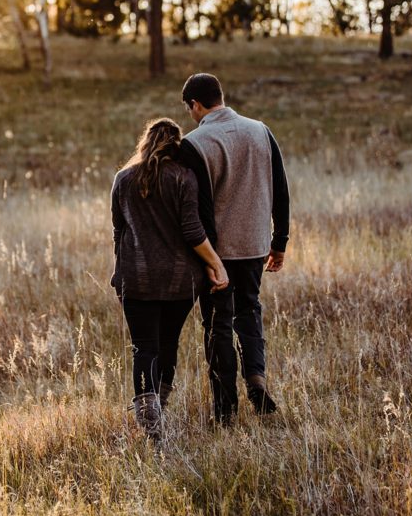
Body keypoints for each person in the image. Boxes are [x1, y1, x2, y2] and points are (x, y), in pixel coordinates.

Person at [177, 72, 290, 426]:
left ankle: (225, 407)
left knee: (218, 324)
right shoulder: (261, 130)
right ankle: (256, 378)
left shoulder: (194, 143)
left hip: (217, 254)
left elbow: (197, 208)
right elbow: (281, 188)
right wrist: (279, 241)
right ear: (220, 96)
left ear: (195, 104)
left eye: (189, 109)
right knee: (250, 311)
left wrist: (209, 258)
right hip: (255, 245)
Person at [111, 118, 229, 441]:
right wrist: (216, 264)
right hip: (181, 283)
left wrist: (119, 272)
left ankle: (150, 423)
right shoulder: (184, 178)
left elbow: (118, 232)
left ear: (145, 142)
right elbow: (193, 232)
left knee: (143, 348)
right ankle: (158, 408)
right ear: (177, 146)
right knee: (167, 345)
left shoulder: (123, 180)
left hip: (137, 280)